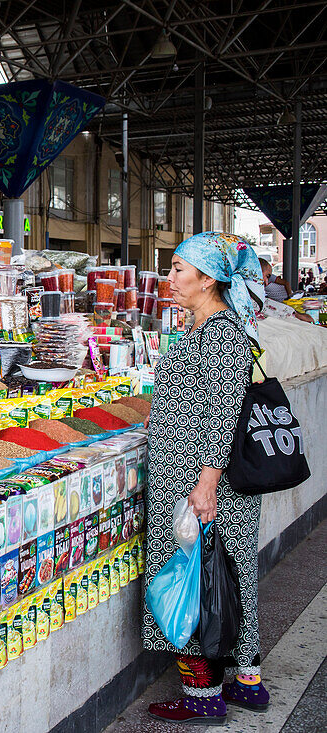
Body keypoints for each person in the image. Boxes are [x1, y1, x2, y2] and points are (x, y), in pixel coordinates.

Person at [144, 232, 268, 725]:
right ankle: (246, 682)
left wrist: (205, 486)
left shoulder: (221, 335)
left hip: (199, 484)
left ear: (208, 278)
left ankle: (203, 696)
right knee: (230, 580)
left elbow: (221, 413)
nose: (169, 279)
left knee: (200, 584)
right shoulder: (203, 330)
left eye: (178, 270)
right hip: (196, 479)